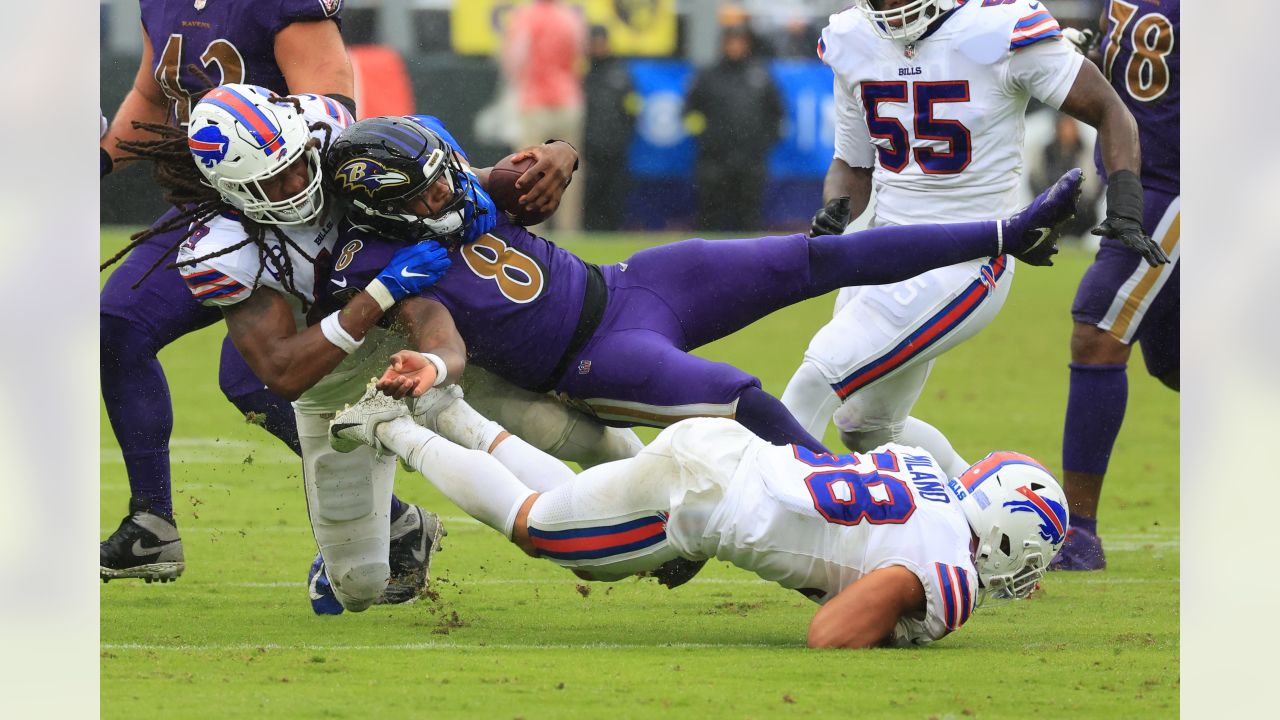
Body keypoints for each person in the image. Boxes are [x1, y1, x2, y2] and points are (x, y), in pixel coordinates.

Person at [112, 84, 642, 613]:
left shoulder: (326, 131)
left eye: (298, 162)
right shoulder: (221, 246)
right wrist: (380, 291)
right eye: (274, 181)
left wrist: (545, 156)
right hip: (334, 385)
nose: (298, 182)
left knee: (546, 427)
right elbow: (283, 372)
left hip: (420, 332)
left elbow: (424, 161)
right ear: (234, 190)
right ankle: (404, 516)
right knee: (358, 585)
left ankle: (654, 500)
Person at [326, 117, 1083, 462]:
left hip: (631, 283)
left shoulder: (436, 170)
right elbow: (437, 335)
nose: (445, 194)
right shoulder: (381, 264)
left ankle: (1007, 232)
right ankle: (855, 508)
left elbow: (516, 170)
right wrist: (432, 367)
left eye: (441, 178)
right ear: (380, 208)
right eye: (424, 196)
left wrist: (558, 152)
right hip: (595, 358)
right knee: (744, 395)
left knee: (817, 259)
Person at [326, 386, 1069, 648]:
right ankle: (391, 426)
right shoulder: (949, 573)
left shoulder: (925, 473)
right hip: (705, 504)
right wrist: (904, 623)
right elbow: (830, 634)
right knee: (540, 530)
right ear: (1008, 535)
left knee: (564, 510)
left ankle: (450, 410)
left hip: (723, 454)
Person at [780, 0, 1170, 482]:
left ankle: (765, 527)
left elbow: (1110, 109)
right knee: (866, 428)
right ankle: (991, 513)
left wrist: (1127, 201)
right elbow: (853, 164)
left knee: (815, 379)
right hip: (882, 249)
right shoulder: (852, 36)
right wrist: (836, 209)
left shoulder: (998, 28)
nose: (888, 7)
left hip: (968, 254)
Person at [97, 0, 376, 585]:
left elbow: (335, 110)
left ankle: (387, 521)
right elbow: (153, 97)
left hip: (292, 213)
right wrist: (97, 161)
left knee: (255, 377)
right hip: (207, 208)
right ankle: (153, 524)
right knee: (117, 322)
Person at [1052, 0, 1180, 571]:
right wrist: (1098, 53)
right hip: (1141, 179)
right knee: (1176, 362)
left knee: (1097, 324)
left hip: (1180, 181)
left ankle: (1079, 533)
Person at [683, 23, 783, 231]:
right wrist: (705, 138)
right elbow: (689, 113)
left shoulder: (761, 76)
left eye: (739, 42)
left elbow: (777, 115)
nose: (735, 47)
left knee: (749, 216)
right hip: (714, 160)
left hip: (750, 160)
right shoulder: (708, 76)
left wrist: (763, 143)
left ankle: (749, 262)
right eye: (731, 42)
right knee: (710, 215)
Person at [501, 0, 587, 232]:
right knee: (569, 167)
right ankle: (569, 229)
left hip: (534, 100)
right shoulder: (571, 18)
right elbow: (580, 54)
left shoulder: (525, 17)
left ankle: (532, 227)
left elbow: (514, 59)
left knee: (527, 167)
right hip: (568, 99)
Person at [582, 25, 638, 231]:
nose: (597, 48)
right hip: (587, 151)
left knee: (614, 196)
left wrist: (622, 138)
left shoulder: (622, 74)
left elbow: (633, 111)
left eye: (600, 43)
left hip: (615, 149)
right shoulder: (582, 75)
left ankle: (612, 230)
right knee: (589, 199)